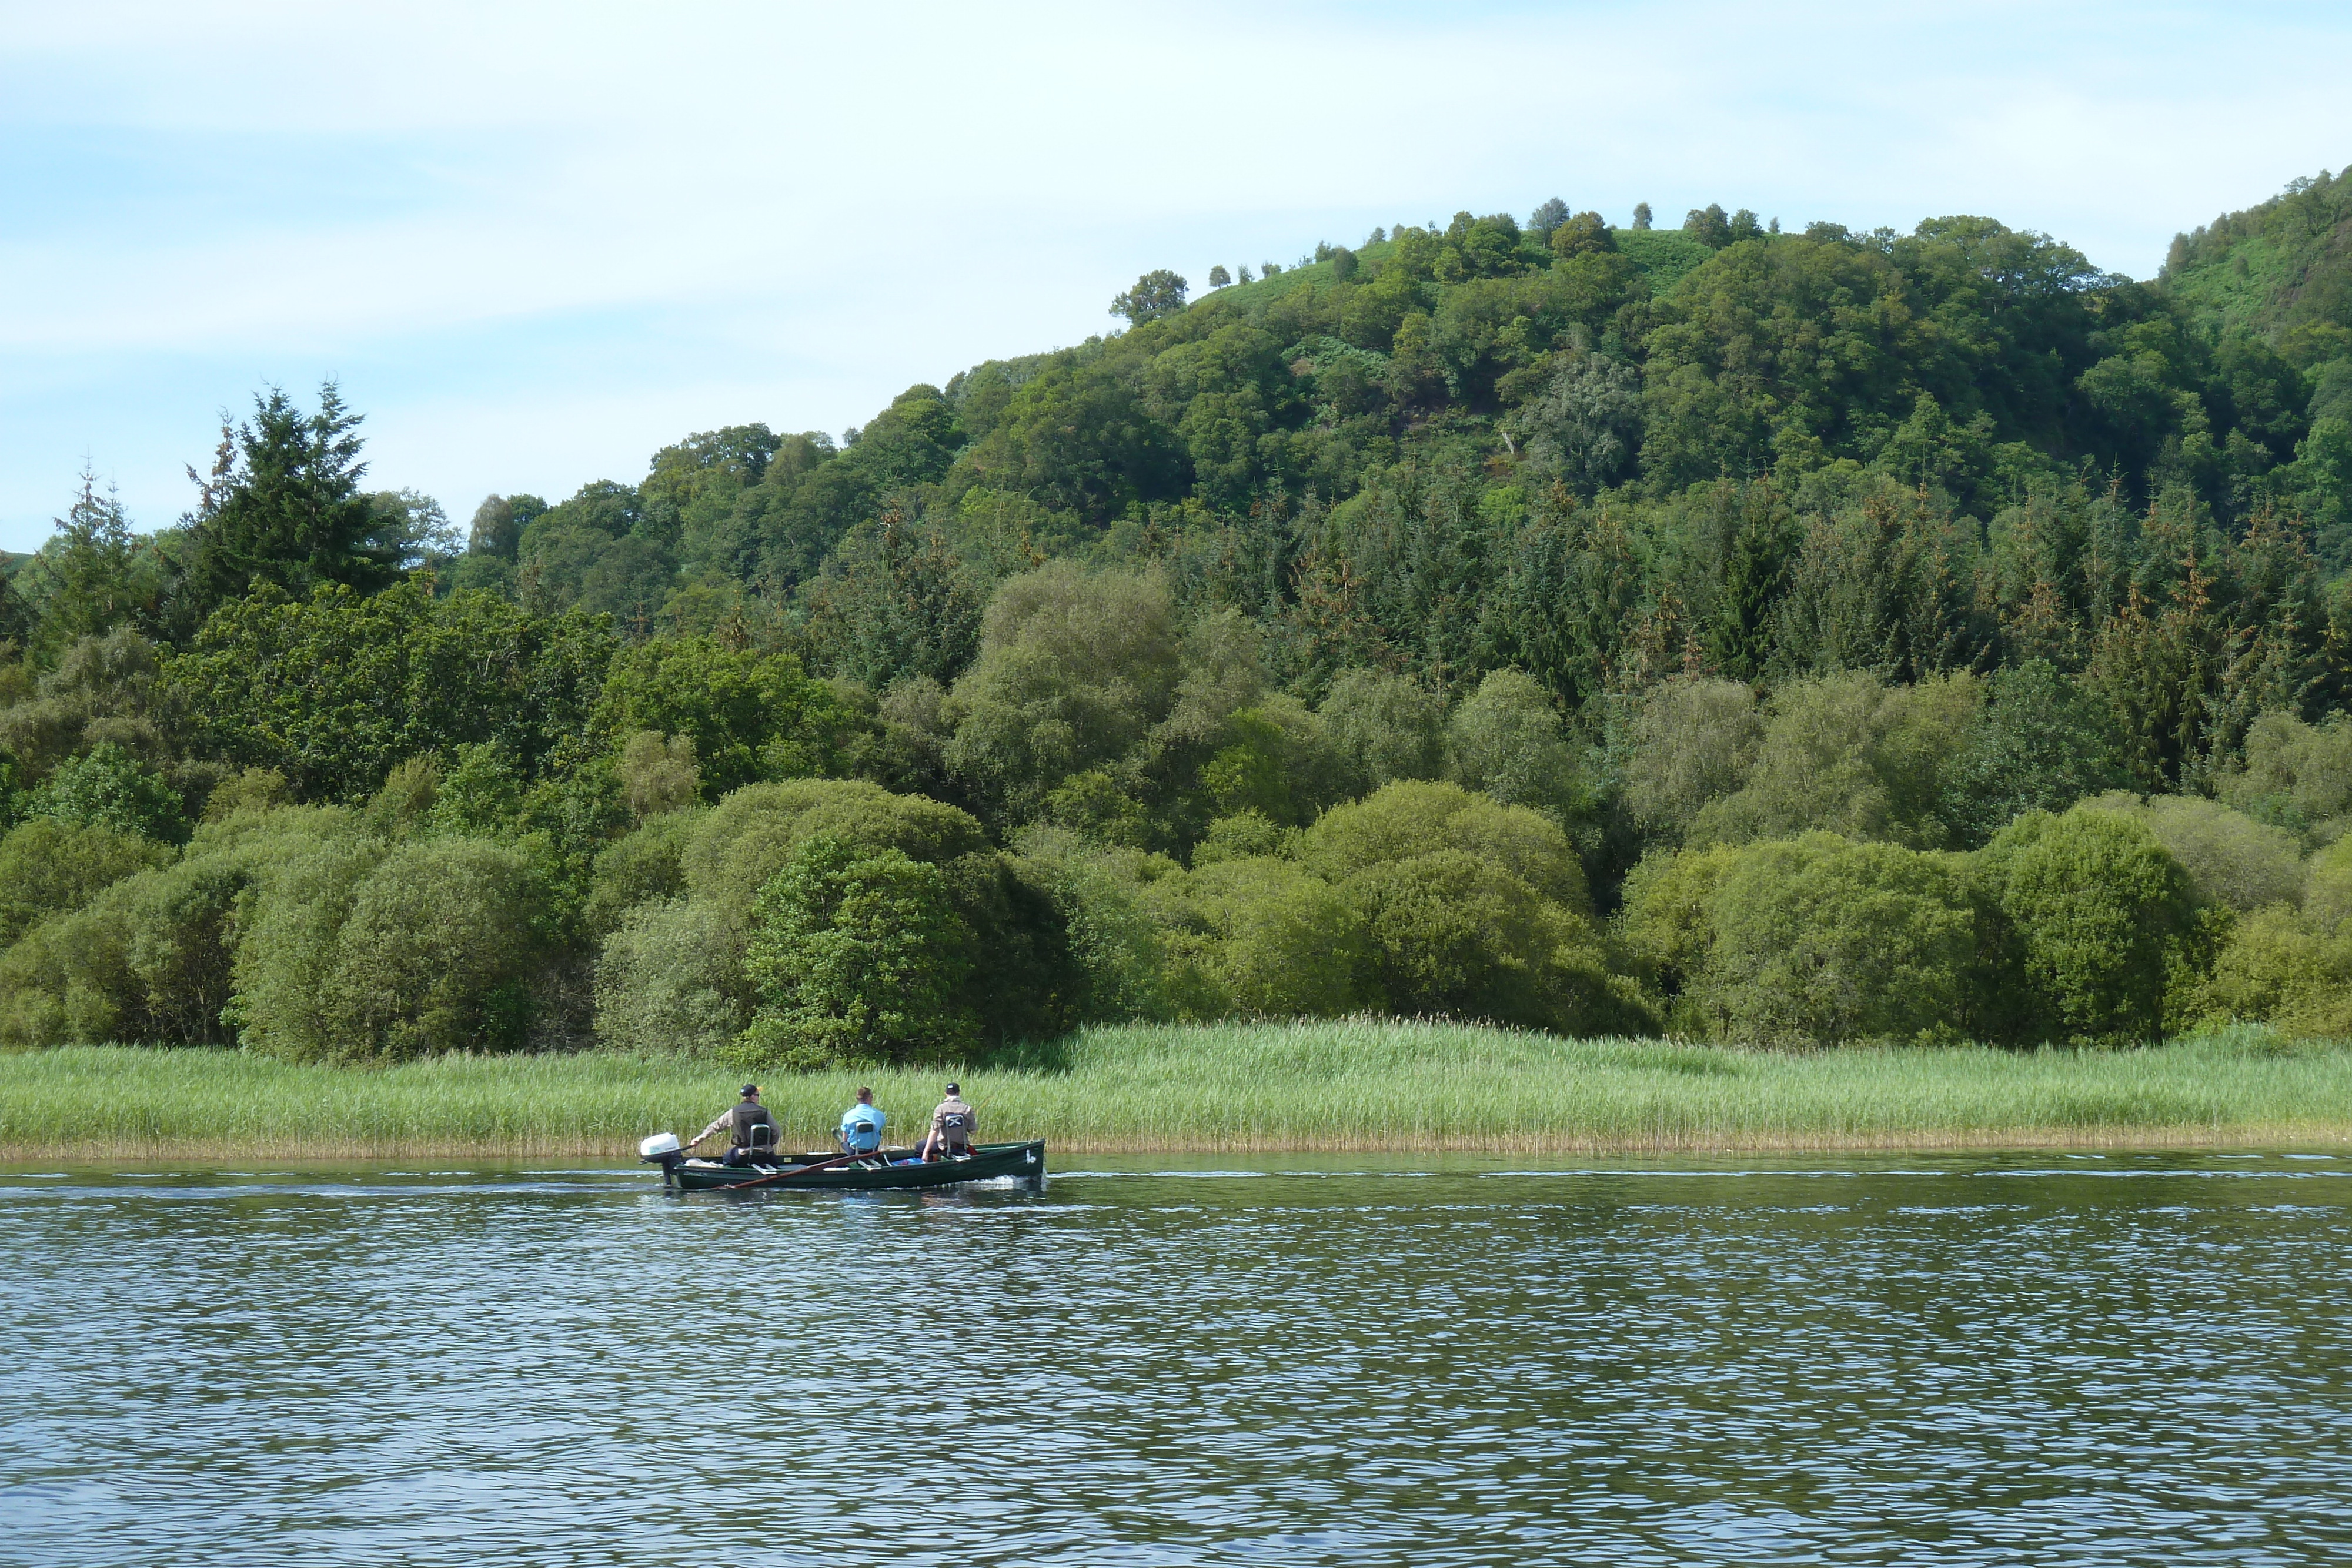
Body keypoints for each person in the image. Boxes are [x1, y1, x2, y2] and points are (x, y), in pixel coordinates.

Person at [685, 1084, 777, 1166]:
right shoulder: (764, 1112)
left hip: (742, 1154)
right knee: (774, 1163)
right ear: (752, 1097)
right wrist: (770, 1145)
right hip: (765, 1154)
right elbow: (776, 1131)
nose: (758, 1098)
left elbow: (716, 1127)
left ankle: (729, 1175)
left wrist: (698, 1139)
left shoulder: (733, 1112)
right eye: (758, 1095)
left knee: (727, 1159)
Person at [919, 1082, 977, 1162]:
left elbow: (934, 1131)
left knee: (919, 1146)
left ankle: (928, 1165)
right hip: (962, 1146)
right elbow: (973, 1131)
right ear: (958, 1093)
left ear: (946, 1094)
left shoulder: (940, 1109)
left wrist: (926, 1152)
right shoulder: (967, 1109)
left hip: (944, 1146)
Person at [839, 1087, 886, 1160]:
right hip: (872, 1151)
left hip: (854, 1152)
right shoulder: (879, 1115)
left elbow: (845, 1138)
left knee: (843, 1141)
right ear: (870, 1098)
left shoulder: (848, 1115)